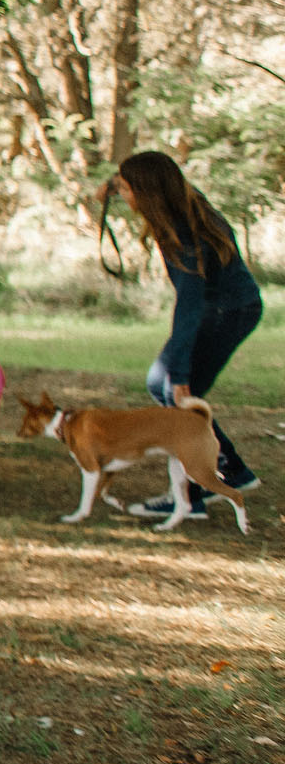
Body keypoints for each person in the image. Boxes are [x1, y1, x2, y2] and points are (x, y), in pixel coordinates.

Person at [106, 150, 265, 519]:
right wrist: (110, 187)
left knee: (174, 394)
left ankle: (195, 493)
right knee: (162, 387)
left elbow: (189, 308)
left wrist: (179, 375)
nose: (124, 196)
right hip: (230, 307)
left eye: (127, 189)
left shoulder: (183, 236)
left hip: (228, 312)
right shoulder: (185, 202)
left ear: (147, 193)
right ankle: (230, 471)